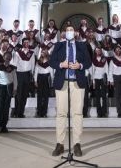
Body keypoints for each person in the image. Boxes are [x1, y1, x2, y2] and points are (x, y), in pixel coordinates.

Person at [49, 24, 92, 157]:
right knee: (61, 114)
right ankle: (60, 144)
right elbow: (51, 62)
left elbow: (89, 62)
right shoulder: (59, 45)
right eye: (67, 30)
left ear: (75, 33)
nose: (69, 32)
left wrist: (80, 65)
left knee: (77, 113)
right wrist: (61, 64)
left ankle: (77, 144)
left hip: (77, 83)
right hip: (62, 82)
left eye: (71, 30)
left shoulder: (82, 45)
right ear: (64, 33)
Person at [0, 52, 17, 134]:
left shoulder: (12, 68)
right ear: (3, 57)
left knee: (6, 108)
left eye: (9, 57)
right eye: (6, 57)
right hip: (1, 88)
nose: (8, 59)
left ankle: (3, 126)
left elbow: (15, 79)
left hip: (9, 89)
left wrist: (15, 88)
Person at [12, 37, 35, 117]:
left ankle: (21, 112)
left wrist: (32, 74)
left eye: (27, 42)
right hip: (19, 74)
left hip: (27, 75)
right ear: (22, 43)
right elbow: (14, 65)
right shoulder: (17, 53)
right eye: (24, 42)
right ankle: (16, 112)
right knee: (18, 94)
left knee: (25, 94)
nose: (26, 44)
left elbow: (32, 65)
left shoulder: (31, 53)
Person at [90, 47, 109, 118]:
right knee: (97, 96)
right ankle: (99, 112)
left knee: (104, 96)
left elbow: (106, 69)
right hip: (96, 78)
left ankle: (104, 112)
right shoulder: (94, 60)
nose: (98, 52)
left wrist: (106, 79)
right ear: (95, 52)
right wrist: (93, 81)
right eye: (96, 51)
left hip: (103, 79)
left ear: (101, 51)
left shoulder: (104, 59)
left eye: (99, 50)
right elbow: (92, 71)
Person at [34, 48, 53, 117]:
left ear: (47, 54)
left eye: (44, 52)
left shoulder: (50, 62)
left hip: (47, 79)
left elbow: (51, 72)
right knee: (39, 96)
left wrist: (52, 81)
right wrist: (35, 81)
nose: (43, 53)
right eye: (42, 52)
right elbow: (36, 72)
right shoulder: (38, 62)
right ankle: (39, 112)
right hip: (40, 79)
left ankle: (44, 112)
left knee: (45, 96)